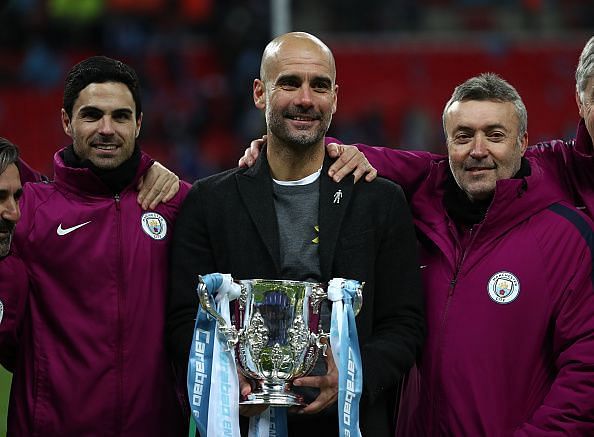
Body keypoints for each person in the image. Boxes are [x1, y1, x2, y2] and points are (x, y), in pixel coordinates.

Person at [166, 32, 425, 436]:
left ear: (334, 99)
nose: (305, 99)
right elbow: (185, 315)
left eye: (319, 85)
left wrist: (353, 377)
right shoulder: (209, 202)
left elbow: (405, 323)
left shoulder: (379, 201)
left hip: (347, 422)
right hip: (244, 421)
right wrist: (225, 377)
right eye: (289, 83)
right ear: (259, 93)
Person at [1, 56, 189, 436]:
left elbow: (261, 181)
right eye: (91, 115)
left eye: (120, 116)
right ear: (67, 121)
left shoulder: (176, 203)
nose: (107, 129)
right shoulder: (28, 208)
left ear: (138, 124)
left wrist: (342, 149)